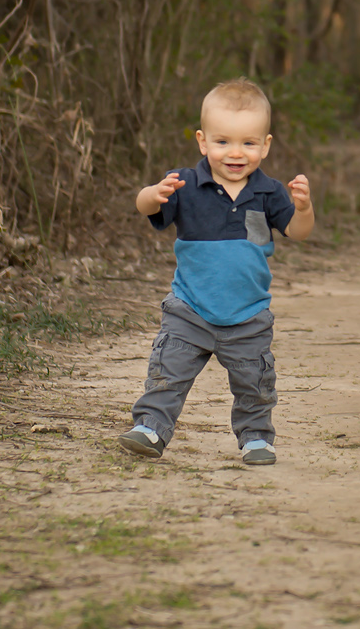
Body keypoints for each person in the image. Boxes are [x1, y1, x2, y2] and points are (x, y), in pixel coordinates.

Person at [119, 78, 315, 466]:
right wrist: (151, 194)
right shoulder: (185, 185)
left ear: (266, 145)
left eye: (248, 142)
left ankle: (256, 436)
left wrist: (304, 208)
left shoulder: (270, 192)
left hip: (247, 316)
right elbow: (145, 207)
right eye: (223, 141)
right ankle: (151, 428)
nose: (235, 153)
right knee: (167, 373)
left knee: (254, 383)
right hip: (189, 310)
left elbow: (298, 232)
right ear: (202, 141)